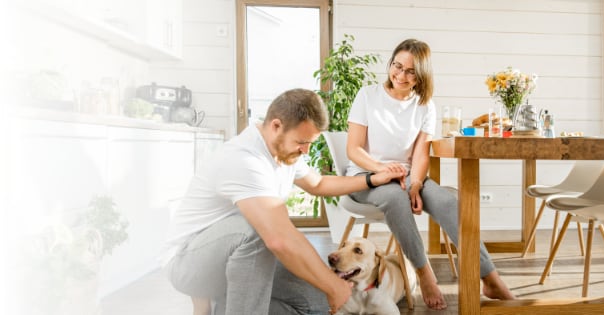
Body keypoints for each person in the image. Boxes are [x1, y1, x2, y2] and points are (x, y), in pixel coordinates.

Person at [160, 88, 407, 315]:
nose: (306, 151)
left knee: (317, 303)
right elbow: (279, 239)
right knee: (259, 232)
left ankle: (222, 307)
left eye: (309, 143)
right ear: (277, 126)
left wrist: (374, 179)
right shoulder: (245, 160)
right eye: (302, 143)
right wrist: (333, 285)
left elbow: (318, 184)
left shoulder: (283, 151)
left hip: (238, 261)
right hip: (190, 264)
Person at [345, 39, 516, 310]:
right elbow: (353, 149)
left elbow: (421, 153)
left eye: (410, 71)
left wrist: (415, 184)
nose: (401, 75)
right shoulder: (367, 96)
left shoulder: (425, 104)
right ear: (390, 64)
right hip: (367, 176)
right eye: (397, 66)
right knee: (395, 198)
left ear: (421, 75)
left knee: (449, 202)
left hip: (407, 176)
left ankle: (490, 277)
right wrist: (383, 169)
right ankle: (425, 274)